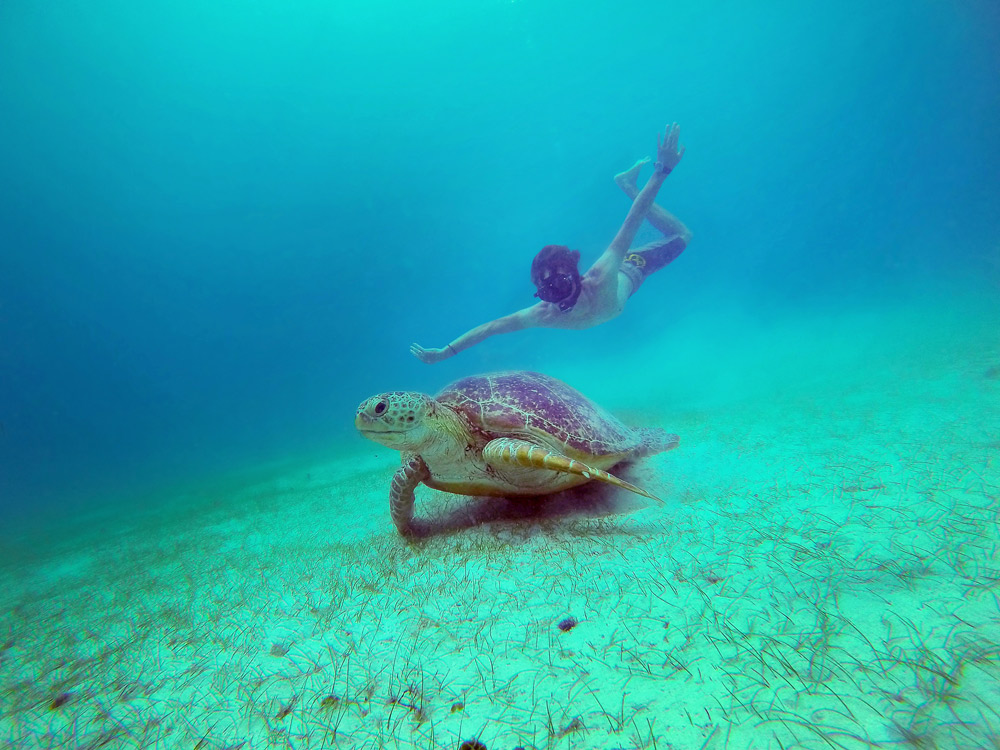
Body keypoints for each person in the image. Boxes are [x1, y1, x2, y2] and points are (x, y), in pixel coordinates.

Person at [410, 123, 691, 364]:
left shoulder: (601, 277)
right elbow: (491, 328)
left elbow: (633, 220)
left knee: (682, 236)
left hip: (632, 268)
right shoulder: (543, 314)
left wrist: (662, 170)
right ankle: (626, 184)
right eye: (548, 289)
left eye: (560, 284)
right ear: (540, 292)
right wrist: (444, 353)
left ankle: (627, 185)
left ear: (577, 276)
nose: (559, 297)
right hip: (621, 292)